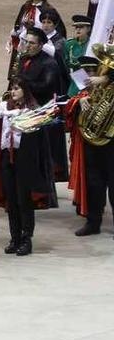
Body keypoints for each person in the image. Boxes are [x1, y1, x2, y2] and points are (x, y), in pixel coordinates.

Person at [0, 78, 56, 257]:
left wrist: (21, 116)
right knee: (11, 201)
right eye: (12, 88)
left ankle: (26, 239)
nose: (13, 91)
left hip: (24, 159)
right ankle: (14, 237)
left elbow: (39, 135)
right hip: (7, 159)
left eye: (17, 88)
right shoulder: (5, 106)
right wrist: (9, 114)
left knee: (24, 201)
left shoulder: (32, 110)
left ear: (25, 90)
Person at [65, 56, 114, 237]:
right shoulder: (85, 94)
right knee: (94, 185)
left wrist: (106, 79)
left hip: (112, 144)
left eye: (93, 73)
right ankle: (93, 222)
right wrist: (79, 102)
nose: (89, 77)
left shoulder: (109, 87)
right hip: (92, 144)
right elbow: (68, 110)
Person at [18, 27, 68, 182]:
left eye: (32, 43)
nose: (28, 46)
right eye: (27, 42)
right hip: (26, 109)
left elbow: (45, 87)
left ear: (40, 45)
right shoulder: (24, 59)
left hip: (42, 113)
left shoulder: (49, 63)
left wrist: (24, 84)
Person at [9, 0, 66, 80]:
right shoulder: (25, 7)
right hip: (24, 43)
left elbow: (58, 28)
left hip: (39, 45)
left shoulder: (48, 10)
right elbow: (18, 24)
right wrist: (16, 33)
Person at [64, 15, 92, 97]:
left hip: (89, 82)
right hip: (74, 84)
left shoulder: (92, 44)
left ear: (88, 29)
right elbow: (66, 64)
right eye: (76, 27)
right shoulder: (69, 44)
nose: (78, 29)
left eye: (81, 27)